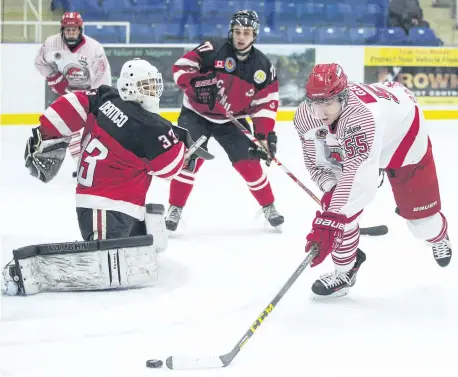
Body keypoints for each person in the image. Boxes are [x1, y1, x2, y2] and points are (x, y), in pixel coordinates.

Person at [1, 59, 211, 296]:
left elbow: (71, 104)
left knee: (126, 251)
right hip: (104, 206)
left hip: (107, 204)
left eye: (154, 86)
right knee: (103, 261)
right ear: (132, 88)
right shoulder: (151, 127)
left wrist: (46, 133)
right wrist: (185, 153)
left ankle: (142, 234)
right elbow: (169, 169)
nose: (154, 92)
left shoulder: (105, 98)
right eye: (148, 87)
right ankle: (25, 271)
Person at [294, 63, 452, 299]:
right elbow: (319, 164)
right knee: (337, 209)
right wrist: (331, 197)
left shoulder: (362, 118)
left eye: (327, 103)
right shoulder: (307, 114)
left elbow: (361, 183)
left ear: (343, 97)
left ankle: (439, 235)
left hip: (403, 138)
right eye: (315, 103)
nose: (321, 112)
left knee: (422, 226)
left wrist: (333, 217)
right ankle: (345, 273)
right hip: (367, 137)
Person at [167, 10, 284, 231]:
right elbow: (180, 67)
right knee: (189, 159)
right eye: (238, 32)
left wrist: (263, 136)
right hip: (196, 114)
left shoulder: (263, 66)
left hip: (233, 119)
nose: (241, 37)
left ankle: (269, 207)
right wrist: (197, 84)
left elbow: (265, 104)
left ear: (254, 35)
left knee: (249, 164)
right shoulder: (213, 48)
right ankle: (175, 208)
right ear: (231, 31)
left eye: (247, 33)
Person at [34, 11, 112, 177]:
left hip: (90, 94)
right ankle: (82, 164)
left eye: (74, 29)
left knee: (94, 130)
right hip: (67, 95)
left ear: (80, 29)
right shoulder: (52, 43)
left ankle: (97, 163)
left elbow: (102, 78)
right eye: (67, 30)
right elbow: (40, 63)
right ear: (62, 30)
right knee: (70, 131)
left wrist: (97, 98)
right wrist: (54, 77)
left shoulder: (93, 49)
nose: (71, 33)